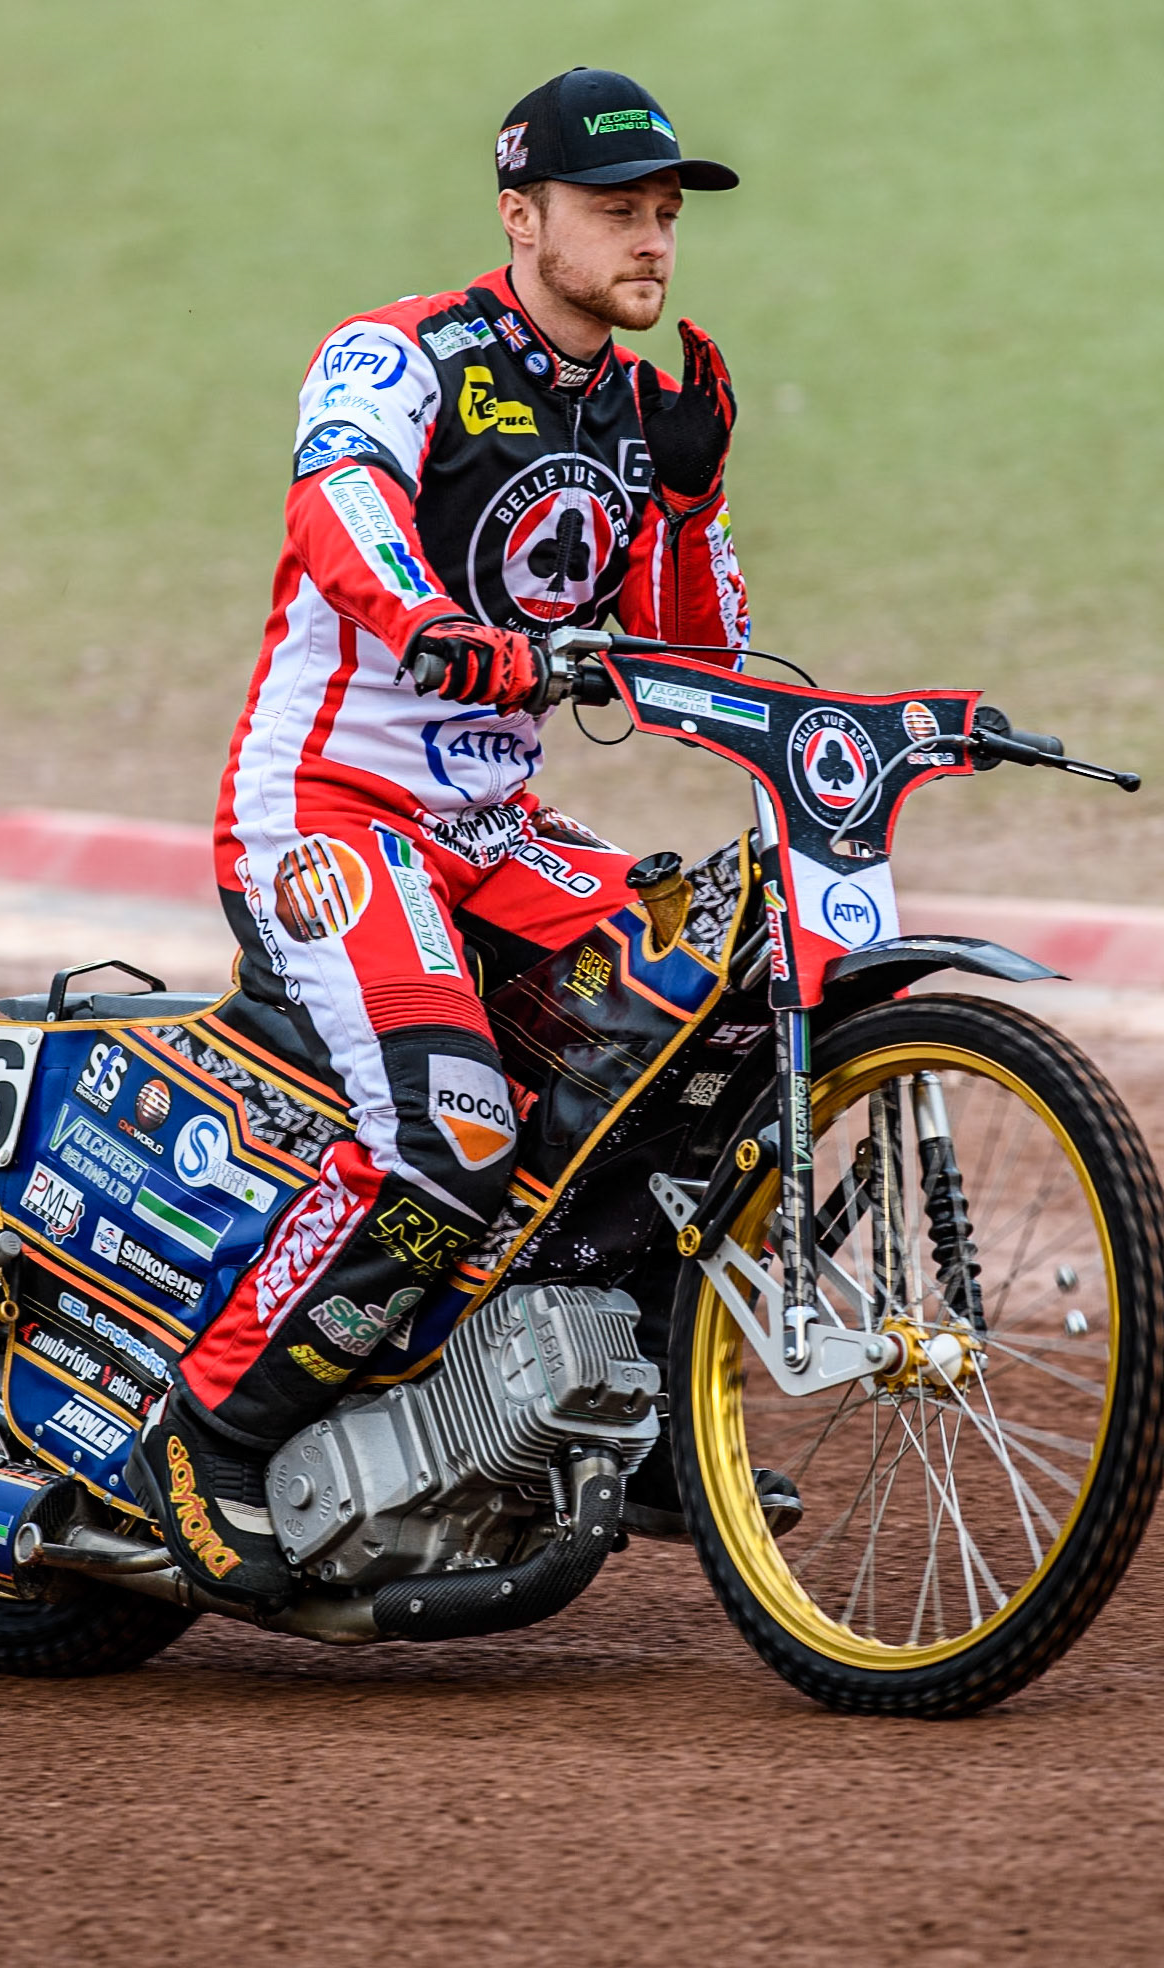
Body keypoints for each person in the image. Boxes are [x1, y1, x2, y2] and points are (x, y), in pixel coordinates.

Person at [127, 66, 749, 1605]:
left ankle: (640, 1391)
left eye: (665, 212)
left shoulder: (632, 410)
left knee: (701, 1006)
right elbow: (338, 510)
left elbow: (706, 661)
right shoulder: (398, 351)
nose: (651, 239)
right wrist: (431, 626)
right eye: (618, 210)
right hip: (329, 805)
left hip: (492, 823)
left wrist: (686, 499)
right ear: (519, 214)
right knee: (453, 1125)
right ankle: (202, 1442)